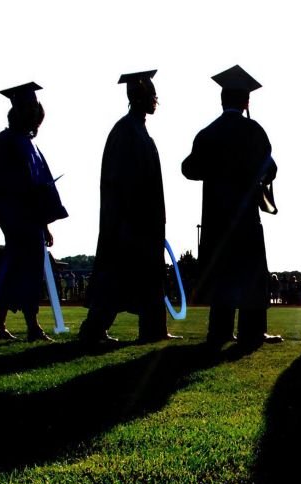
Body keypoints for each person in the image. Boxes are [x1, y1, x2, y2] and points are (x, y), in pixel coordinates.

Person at [182, 65, 282, 348]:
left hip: (215, 216)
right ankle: (252, 331)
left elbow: (190, 168)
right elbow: (271, 169)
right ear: (246, 102)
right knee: (250, 273)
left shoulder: (208, 132)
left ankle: (220, 330)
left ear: (222, 100)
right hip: (245, 215)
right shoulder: (253, 131)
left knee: (222, 274)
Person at [80, 70, 179, 345]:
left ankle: (153, 329)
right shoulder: (126, 131)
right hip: (130, 221)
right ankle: (94, 329)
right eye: (151, 94)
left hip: (144, 221)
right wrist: (124, 220)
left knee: (147, 277)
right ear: (139, 97)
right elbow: (117, 181)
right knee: (118, 278)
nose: (155, 100)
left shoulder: (137, 130)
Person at [0, 82, 68, 342]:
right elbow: (0, 182)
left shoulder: (29, 144)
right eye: (29, 109)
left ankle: (12, 326)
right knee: (17, 270)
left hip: (31, 219)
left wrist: (44, 224)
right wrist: (8, 214)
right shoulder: (6, 141)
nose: (34, 115)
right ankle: (23, 326)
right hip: (17, 217)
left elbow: (40, 183)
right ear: (18, 111)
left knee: (28, 271)